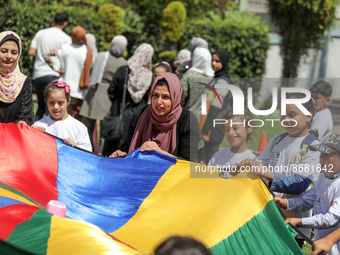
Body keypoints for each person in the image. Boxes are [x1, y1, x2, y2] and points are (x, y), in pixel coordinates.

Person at [239, 92, 321, 247]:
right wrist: (248, 165)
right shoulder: (276, 140)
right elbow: (259, 168)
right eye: (283, 115)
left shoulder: (313, 146)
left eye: (292, 115)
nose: (286, 120)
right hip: (269, 217)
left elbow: (299, 185)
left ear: (308, 116)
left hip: (294, 227)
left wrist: (265, 173)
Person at [109, 73, 199, 162]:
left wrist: (160, 153)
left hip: (171, 175)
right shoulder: (140, 115)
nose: (158, 102)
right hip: (140, 172)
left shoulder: (187, 120)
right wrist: (121, 155)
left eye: (165, 97)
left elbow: (188, 163)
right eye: (155, 95)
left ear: (175, 98)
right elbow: (129, 149)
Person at [274, 134, 340, 255]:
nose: (322, 159)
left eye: (328, 155)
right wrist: (286, 203)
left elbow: (332, 219)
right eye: (321, 154)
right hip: (323, 249)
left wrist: (300, 222)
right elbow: (306, 201)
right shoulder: (321, 178)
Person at [102, 43, 154, 156]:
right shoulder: (150, 75)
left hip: (119, 111)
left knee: (111, 148)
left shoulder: (123, 70)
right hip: (137, 116)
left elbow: (111, 90)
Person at [80, 35, 128, 153]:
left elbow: (91, 70)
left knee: (87, 125)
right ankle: (101, 152)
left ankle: (86, 149)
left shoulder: (101, 55)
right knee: (104, 129)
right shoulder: (124, 63)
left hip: (94, 92)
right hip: (108, 97)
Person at [28, 12, 71, 121]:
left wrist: (41, 55)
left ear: (53, 21)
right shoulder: (66, 38)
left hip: (39, 74)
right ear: (65, 23)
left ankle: (34, 131)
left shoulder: (40, 33)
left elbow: (31, 52)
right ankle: (49, 136)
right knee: (51, 108)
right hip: (53, 75)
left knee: (41, 107)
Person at [32, 80, 92, 151]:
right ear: (46, 101)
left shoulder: (79, 128)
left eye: (60, 103)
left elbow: (87, 156)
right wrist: (34, 135)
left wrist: (75, 148)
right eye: (51, 102)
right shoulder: (39, 125)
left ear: (68, 102)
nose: (56, 107)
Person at [200, 49, 233, 164]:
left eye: (217, 61)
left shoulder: (223, 81)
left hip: (213, 128)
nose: (213, 63)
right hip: (209, 126)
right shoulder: (217, 79)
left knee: (211, 161)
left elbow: (216, 107)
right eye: (212, 60)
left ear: (224, 63)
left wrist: (205, 129)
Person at [58, 26, 92, 121]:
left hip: (65, 87)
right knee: (77, 119)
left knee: (63, 116)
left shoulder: (65, 48)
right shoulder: (87, 51)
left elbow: (56, 59)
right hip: (80, 91)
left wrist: (58, 69)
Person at [207, 109, 255, 178]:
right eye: (227, 129)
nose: (230, 133)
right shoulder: (218, 156)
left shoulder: (252, 161)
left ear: (248, 128)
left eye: (235, 128)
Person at [0, 31, 34, 125]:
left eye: (14, 53)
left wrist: (23, 122)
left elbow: (26, 115)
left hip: (13, 136)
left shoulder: (23, 82)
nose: (9, 56)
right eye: (4, 51)